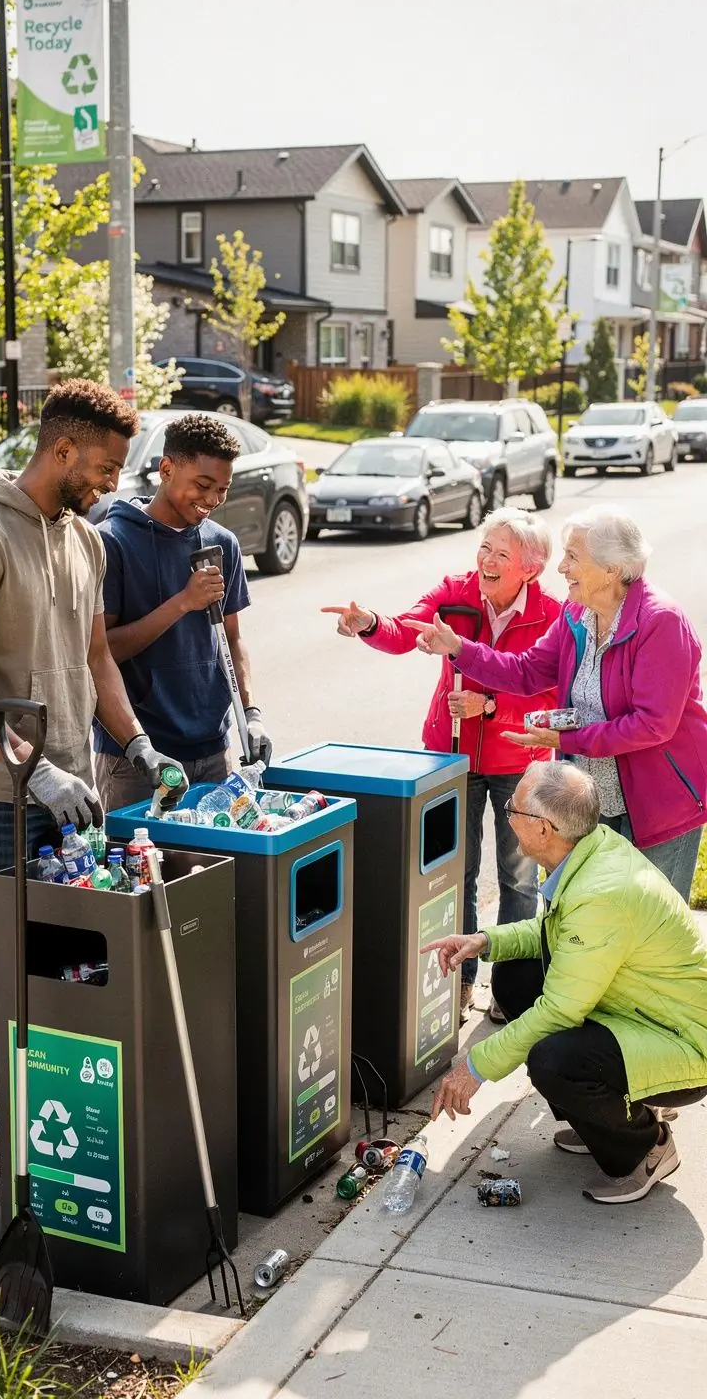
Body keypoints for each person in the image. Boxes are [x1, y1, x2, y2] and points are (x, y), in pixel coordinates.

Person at [0, 379, 186, 1252]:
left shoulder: (84, 539)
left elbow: (95, 659)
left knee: (54, 986)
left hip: (75, 795)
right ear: (62, 449)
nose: (113, 484)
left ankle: (19, 1147)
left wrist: (138, 743)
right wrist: (30, 775)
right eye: (105, 466)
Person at [427, 762, 707, 1205]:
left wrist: (474, 1068)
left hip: (684, 1041)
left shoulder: (601, 894)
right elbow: (552, 935)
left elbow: (560, 1010)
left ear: (543, 829)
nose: (507, 814)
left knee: (554, 1059)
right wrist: (486, 940)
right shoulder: (589, 848)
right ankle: (597, 1119)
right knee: (515, 976)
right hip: (637, 1010)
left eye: (512, 809)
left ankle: (645, 1147)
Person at [322, 509, 561, 1023]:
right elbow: (407, 628)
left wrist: (493, 708)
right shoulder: (456, 593)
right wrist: (368, 623)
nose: (487, 561)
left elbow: (554, 691)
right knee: (457, 873)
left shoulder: (552, 613)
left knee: (519, 879)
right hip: (451, 755)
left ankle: (511, 988)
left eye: (502, 554)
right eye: (484, 547)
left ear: (530, 569)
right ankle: (461, 982)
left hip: (519, 759)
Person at [404, 504, 707, 901]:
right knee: (595, 921)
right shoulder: (577, 612)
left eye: (572, 557)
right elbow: (527, 671)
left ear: (612, 569)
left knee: (651, 931)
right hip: (594, 803)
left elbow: (652, 725)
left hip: (656, 805)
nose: (561, 567)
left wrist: (564, 740)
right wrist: (459, 648)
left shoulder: (659, 621)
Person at [93, 412, 272, 812]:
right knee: (144, 867)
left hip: (214, 749)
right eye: (203, 485)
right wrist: (183, 603)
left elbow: (233, 639)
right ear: (167, 469)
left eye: (223, 490)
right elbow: (102, 651)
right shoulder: (112, 542)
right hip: (138, 756)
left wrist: (252, 714)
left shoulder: (222, 543)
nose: (212, 499)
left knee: (216, 869)